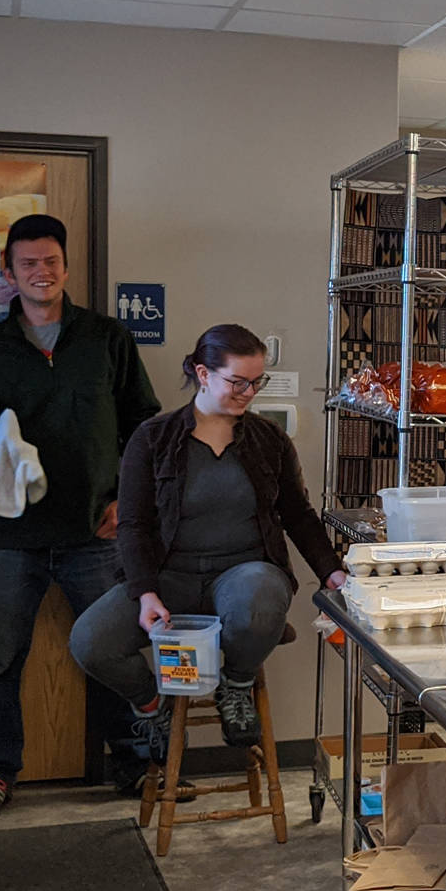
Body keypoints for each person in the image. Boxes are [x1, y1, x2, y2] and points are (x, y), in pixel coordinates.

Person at [0, 214, 159, 821]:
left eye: (50, 262)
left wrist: (128, 502)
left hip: (95, 530)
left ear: (65, 266)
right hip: (9, 536)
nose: (40, 273)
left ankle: (131, 761)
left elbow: (143, 426)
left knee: (110, 650)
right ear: (9, 273)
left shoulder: (107, 337)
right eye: (27, 265)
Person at [72, 324, 345, 778]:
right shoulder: (153, 438)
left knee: (259, 595)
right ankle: (153, 707)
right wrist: (145, 593)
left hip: (243, 575)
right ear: (203, 373)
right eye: (238, 381)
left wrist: (331, 571)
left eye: (257, 382)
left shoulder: (268, 440)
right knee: (90, 641)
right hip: (168, 579)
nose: (249, 392)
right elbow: (134, 524)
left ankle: (235, 686)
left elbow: (296, 514)